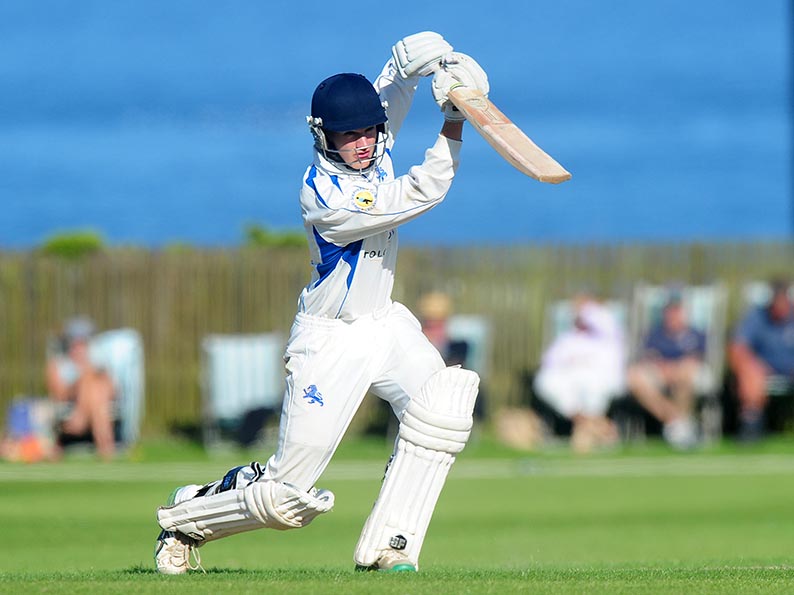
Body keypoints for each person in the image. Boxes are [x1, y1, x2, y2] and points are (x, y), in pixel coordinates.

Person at [154, 32, 489, 575]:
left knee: (440, 411)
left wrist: (425, 63)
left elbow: (388, 93)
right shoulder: (328, 196)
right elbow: (421, 192)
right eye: (347, 135)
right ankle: (186, 517)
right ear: (323, 137)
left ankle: (389, 547)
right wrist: (453, 121)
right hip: (331, 340)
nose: (362, 143)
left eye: (368, 132)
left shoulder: (373, 150)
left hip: (383, 325)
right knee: (287, 497)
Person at [533, 295, 624, 453]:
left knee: (593, 385)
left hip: (599, 378)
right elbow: (548, 362)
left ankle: (586, 430)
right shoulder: (567, 338)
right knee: (546, 382)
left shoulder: (608, 336)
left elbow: (600, 319)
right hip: (568, 379)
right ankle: (596, 427)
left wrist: (585, 307)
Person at [625, 292, 705, 449]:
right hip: (659, 373)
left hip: (687, 373)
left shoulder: (696, 334)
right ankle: (679, 423)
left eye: (677, 310)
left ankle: (678, 427)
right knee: (634, 377)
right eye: (670, 310)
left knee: (686, 372)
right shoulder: (654, 335)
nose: (673, 315)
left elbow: (697, 359)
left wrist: (675, 369)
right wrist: (665, 368)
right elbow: (647, 358)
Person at [728, 279, 794, 441]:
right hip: (762, 371)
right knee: (750, 371)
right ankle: (751, 422)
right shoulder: (756, 316)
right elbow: (737, 347)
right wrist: (754, 364)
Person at [46, 316, 116, 460]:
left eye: (83, 344)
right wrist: (81, 381)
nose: (79, 348)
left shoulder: (98, 365)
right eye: (75, 343)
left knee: (95, 387)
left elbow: (112, 390)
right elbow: (58, 393)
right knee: (90, 382)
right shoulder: (59, 364)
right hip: (71, 398)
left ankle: (80, 416)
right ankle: (106, 446)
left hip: (90, 406)